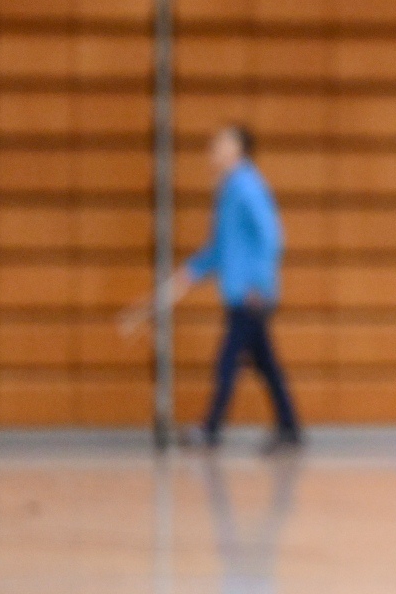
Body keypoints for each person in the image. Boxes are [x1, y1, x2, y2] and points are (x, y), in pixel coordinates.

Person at [117, 125, 303, 450]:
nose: (214, 149)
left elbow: (272, 237)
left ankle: (211, 428)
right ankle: (289, 427)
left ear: (239, 150)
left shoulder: (247, 187)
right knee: (265, 362)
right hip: (240, 293)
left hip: (250, 295)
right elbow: (220, 248)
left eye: (222, 143)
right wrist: (189, 272)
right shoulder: (228, 190)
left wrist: (258, 284)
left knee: (228, 359)